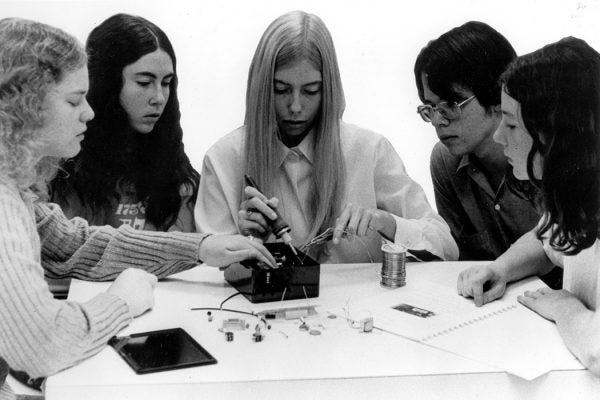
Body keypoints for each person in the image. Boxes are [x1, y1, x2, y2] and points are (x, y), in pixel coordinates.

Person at [0, 18, 275, 398]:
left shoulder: (14, 192)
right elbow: (43, 344)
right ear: (25, 105)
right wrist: (122, 301)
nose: (89, 113)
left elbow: (75, 243)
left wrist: (198, 247)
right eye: (74, 100)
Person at [194, 10, 457, 263]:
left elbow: (446, 247)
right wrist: (250, 244)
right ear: (261, 88)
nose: (295, 107)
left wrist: (388, 222)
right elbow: (207, 274)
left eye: (310, 91)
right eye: (281, 89)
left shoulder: (369, 151)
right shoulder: (223, 159)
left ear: (329, 89)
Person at [457, 37, 600, 375]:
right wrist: (502, 268)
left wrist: (567, 309)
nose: (498, 138)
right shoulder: (579, 195)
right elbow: (547, 239)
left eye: (510, 124)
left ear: (553, 133)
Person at [50, 14, 199, 232]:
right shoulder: (58, 171)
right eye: (144, 82)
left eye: (166, 83)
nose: (159, 97)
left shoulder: (179, 175)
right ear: (107, 83)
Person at [415, 21, 543, 262]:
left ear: (496, 96)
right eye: (430, 108)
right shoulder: (445, 161)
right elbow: (458, 262)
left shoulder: (546, 156)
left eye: (451, 105)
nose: (437, 121)